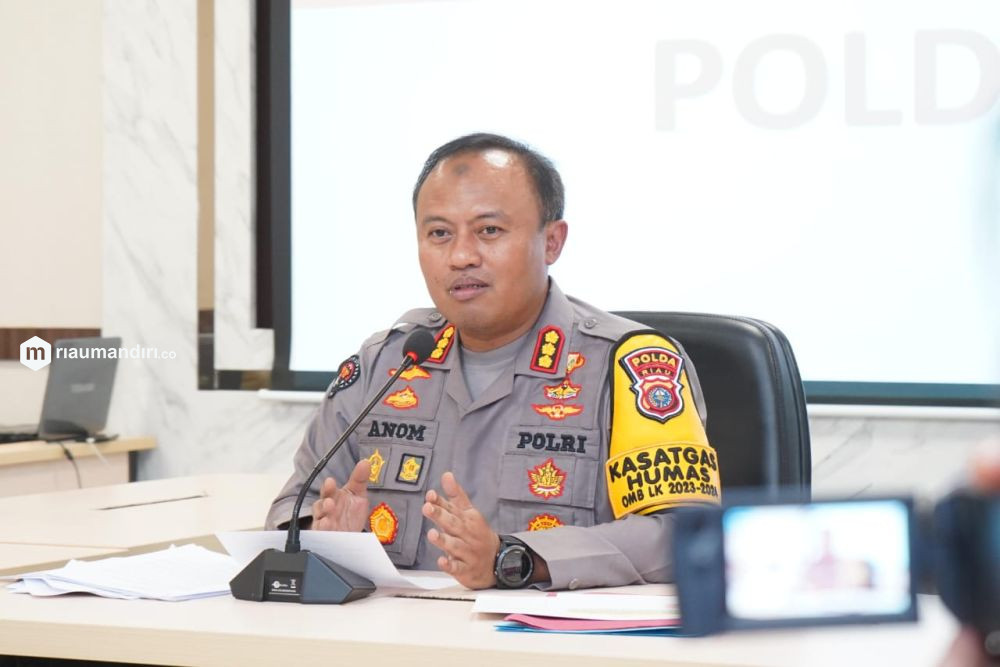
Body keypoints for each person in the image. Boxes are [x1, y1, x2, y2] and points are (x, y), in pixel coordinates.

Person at [266, 133, 722, 590]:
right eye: (439, 234)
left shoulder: (629, 366)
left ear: (552, 242)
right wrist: (321, 536)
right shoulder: (386, 363)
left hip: (542, 632)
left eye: (489, 231)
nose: (461, 256)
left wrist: (515, 559)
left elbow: (684, 534)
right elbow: (294, 504)